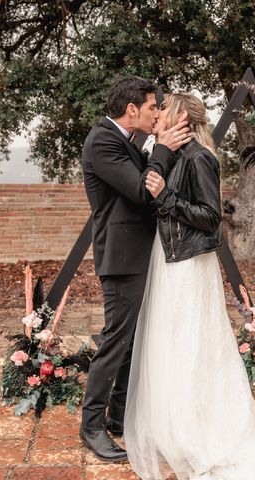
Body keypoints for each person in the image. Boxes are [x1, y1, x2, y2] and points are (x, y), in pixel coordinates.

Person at [124, 93, 255, 479]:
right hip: (169, 259)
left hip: (190, 265)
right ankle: (174, 422)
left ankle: (199, 425)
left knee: (191, 341)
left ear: (181, 116)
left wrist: (165, 196)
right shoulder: (172, 153)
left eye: (164, 107)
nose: (158, 112)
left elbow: (210, 217)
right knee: (171, 339)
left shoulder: (200, 157)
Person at [80, 76, 191, 462]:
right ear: (132, 110)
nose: (157, 113)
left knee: (129, 339)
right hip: (122, 256)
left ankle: (116, 414)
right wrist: (161, 147)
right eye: (152, 107)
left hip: (137, 254)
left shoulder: (124, 141)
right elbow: (144, 189)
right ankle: (91, 425)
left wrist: (159, 147)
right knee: (115, 340)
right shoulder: (102, 141)